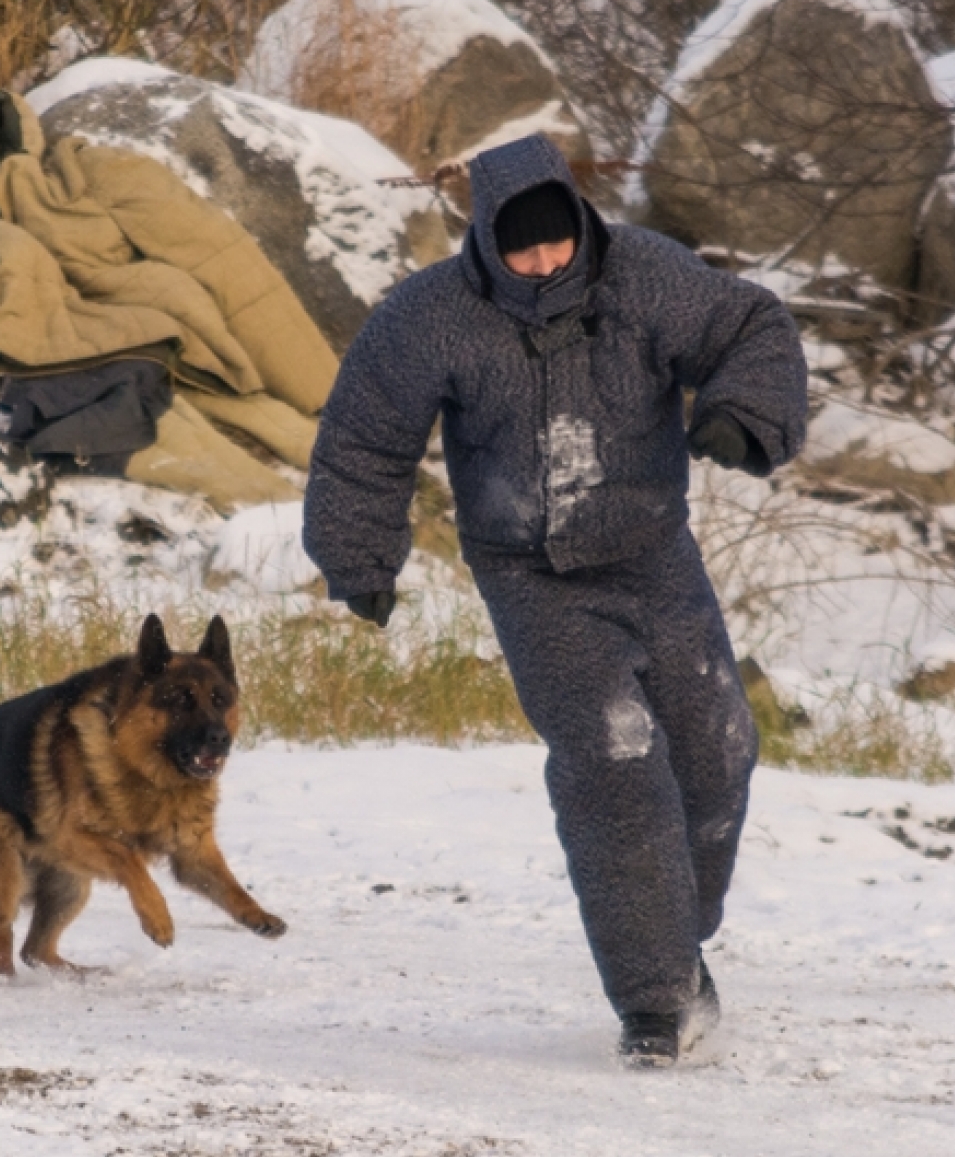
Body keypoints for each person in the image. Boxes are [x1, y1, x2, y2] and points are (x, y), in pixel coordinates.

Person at [302, 133, 808, 1068]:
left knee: (719, 748)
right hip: (529, 576)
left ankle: (670, 935)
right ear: (490, 243)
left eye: (556, 245)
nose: (543, 264)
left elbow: (752, 326)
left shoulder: (643, 277)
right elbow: (365, 436)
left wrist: (744, 412)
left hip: (654, 551)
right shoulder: (432, 316)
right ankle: (656, 1001)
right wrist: (360, 555)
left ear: (579, 224)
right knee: (613, 759)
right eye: (522, 249)